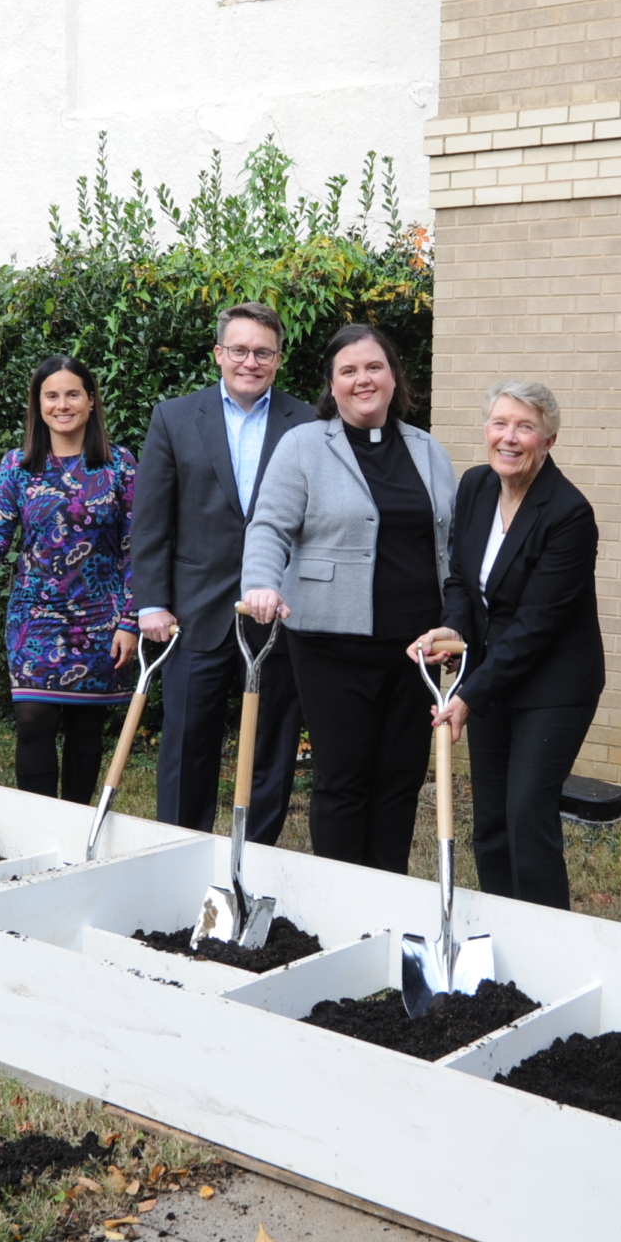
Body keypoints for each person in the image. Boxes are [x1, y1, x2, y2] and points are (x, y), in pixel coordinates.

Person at [241, 324, 457, 872]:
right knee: (344, 780)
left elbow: (450, 543)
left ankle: (388, 893)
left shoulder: (427, 449)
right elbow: (269, 526)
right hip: (331, 646)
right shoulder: (305, 445)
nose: (364, 379)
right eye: (349, 371)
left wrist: (457, 624)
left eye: (374, 367)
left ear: (393, 376)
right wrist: (261, 583)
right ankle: (342, 900)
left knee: (401, 779)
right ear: (331, 386)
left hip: (415, 650)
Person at [407, 382, 605, 909]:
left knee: (526, 811)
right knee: (491, 816)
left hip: (553, 686)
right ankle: (500, 930)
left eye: (525, 427)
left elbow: (536, 626)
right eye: (500, 424)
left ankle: (546, 940)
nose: (509, 438)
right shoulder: (475, 487)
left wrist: (468, 694)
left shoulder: (568, 514)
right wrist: (452, 630)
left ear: (549, 439)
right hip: (492, 677)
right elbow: (459, 582)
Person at [128, 304, 316, 840]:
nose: (250, 361)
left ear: (278, 359)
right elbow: (152, 520)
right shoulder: (175, 417)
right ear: (219, 354)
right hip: (193, 613)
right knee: (187, 746)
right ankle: (178, 853)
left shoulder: (307, 424)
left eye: (263, 352)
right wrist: (151, 602)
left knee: (271, 750)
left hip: (277, 613)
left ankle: (249, 864)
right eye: (240, 350)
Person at [0, 357, 139, 800]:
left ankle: (77, 825)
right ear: (38, 404)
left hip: (99, 618)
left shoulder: (119, 465)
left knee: (86, 730)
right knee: (32, 723)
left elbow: (134, 548)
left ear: (91, 399)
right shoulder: (17, 465)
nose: (62, 405)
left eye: (72, 394)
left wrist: (130, 620)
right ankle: (39, 825)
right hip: (34, 616)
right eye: (51, 395)